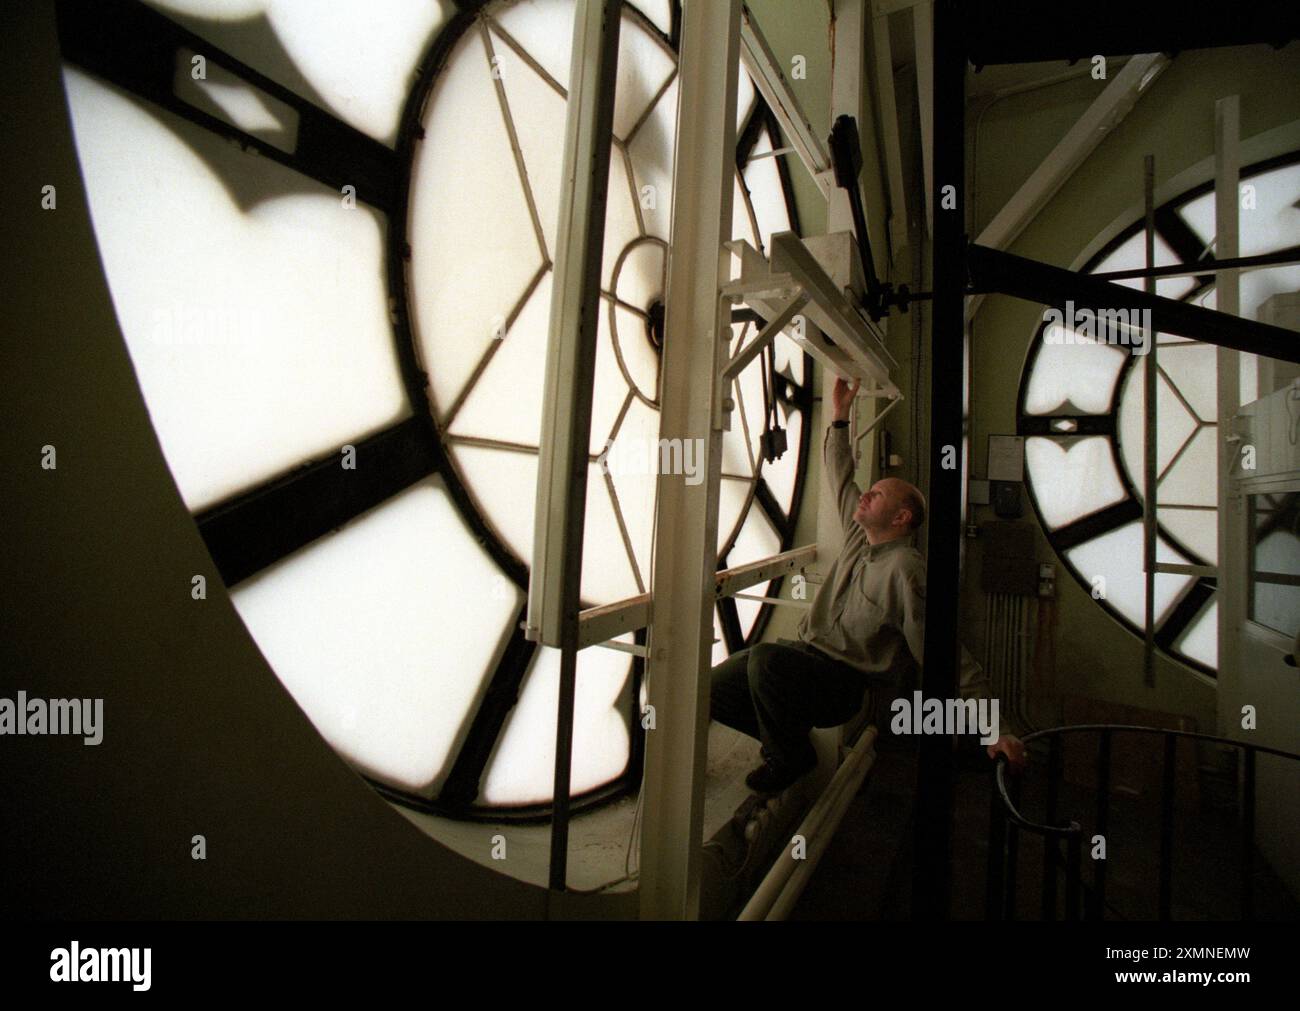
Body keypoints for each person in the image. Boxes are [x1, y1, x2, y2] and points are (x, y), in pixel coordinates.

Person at [710, 376, 1027, 793]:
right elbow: (840, 474)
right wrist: (839, 416)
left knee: (764, 662)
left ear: (901, 519)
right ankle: (789, 747)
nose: (865, 496)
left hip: (841, 683)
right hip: (804, 659)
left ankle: (789, 755)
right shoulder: (860, 538)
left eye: (877, 494)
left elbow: (943, 654)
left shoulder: (905, 571)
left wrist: (996, 729)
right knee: (715, 689)